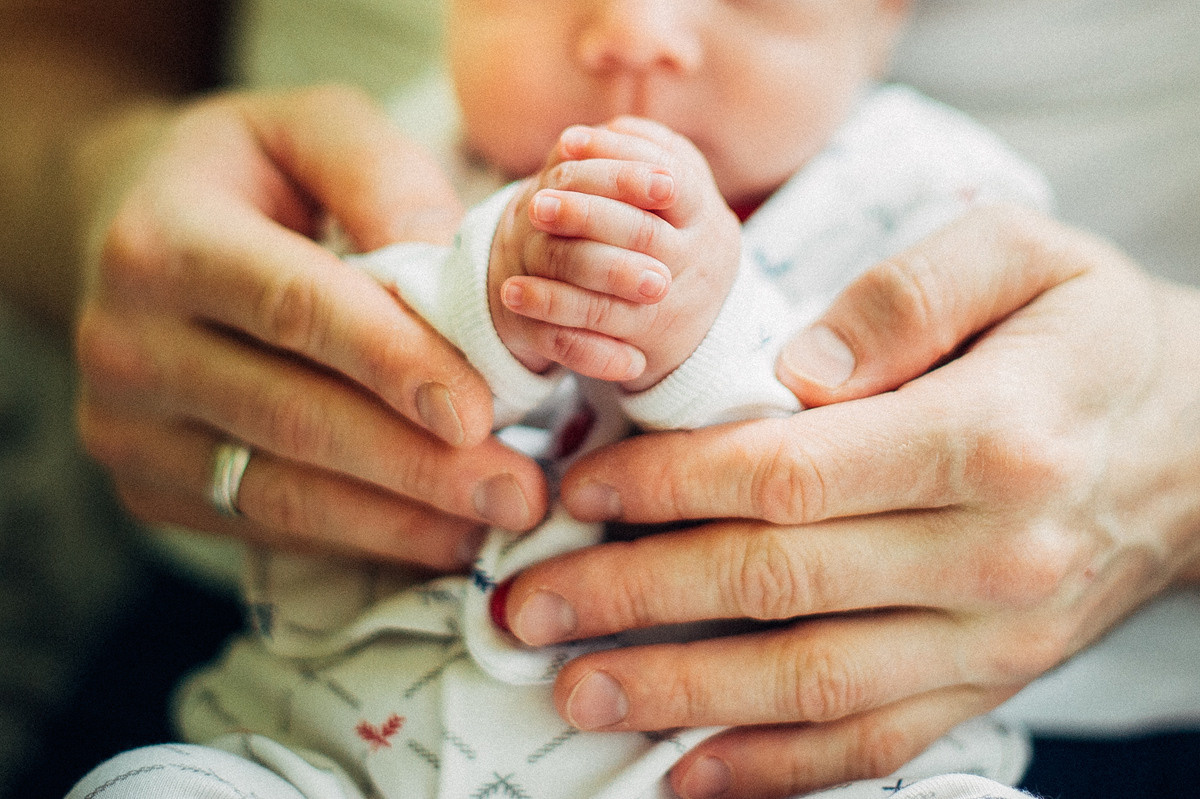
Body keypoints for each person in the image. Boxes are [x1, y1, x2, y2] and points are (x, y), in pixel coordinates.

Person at [1, 0, 1197, 797]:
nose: (633, 28)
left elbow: (936, 432)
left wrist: (693, 334)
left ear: (884, 19)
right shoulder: (408, 149)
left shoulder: (936, 191)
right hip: (354, 736)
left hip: (818, 752)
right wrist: (493, 301)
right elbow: (384, 332)